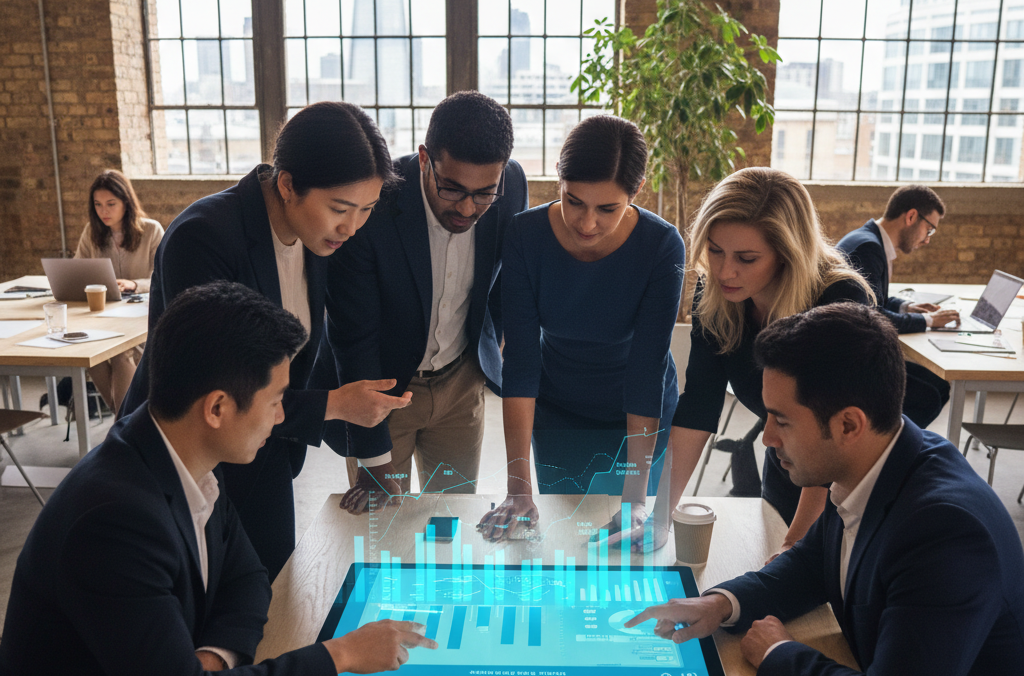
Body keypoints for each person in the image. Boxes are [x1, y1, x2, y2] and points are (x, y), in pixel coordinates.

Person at [0, 282, 437, 676]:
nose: (284, 415)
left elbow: (247, 579)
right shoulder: (115, 517)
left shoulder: (184, 460)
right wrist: (337, 656)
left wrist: (209, 662)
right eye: (277, 399)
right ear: (216, 407)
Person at [625, 303, 1024, 676]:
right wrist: (719, 604)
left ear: (849, 423)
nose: (765, 438)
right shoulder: (877, 461)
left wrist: (781, 655)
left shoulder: (945, 531)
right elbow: (815, 562)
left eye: (780, 420)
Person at [120, 102, 411, 580]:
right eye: (340, 209)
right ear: (288, 184)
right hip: (186, 458)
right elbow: (217, 390)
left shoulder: (320, 239)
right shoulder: (205, 237)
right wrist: (332, 405)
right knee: (194, 602)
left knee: (267, 592)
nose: (353, 227)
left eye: (367, 210)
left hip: (264, 451)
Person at [632, 167, 872, 555]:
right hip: (786, 460)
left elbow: (828, 430)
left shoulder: (837, 298)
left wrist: (796, 541)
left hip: (849, 473)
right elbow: (699, 405)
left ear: (786, 253)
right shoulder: (716, 295)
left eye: (746, 258)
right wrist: (661, 516)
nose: (725, 272)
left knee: (822, 581)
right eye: (714, 250)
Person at [315, 91, 528, 512]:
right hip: (382, 388)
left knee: (452, 519)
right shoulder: (374, 202)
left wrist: (484, 349)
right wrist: (373, 461)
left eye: (484, 193)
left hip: (460, 385)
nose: (468, 207)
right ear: (425, 158)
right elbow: (352, 335)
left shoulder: (512, 185)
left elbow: (502, 284)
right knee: (380, 526)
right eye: (452, 189)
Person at [477, 115, 686, 541]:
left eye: (607, 208)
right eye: (574, 201)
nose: (587, 223)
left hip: (640, 413)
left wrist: (635, 498)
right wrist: (518, 489)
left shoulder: (662, 246)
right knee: (565, 535)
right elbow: (520, 363)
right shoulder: (525, 236)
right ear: (559, 179)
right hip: (558, 408)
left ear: (637, 190)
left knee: (631, 535)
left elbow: (645, 371)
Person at [838, 184, 957, 428]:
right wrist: (929, 321)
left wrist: (907, 307)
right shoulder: (868, 248)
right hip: (849, 364)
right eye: (929, 229)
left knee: (938, 386)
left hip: (855, 351)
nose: (926, 240)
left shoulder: (868, 239)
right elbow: (869, 315)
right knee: (930, 394)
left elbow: (873, 298)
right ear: (911, 216)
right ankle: (883, 451)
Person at [74, 169, 164, 413]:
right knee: (93, 355)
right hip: (103, 317)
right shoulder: (91, 233)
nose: (104, 211)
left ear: (126, 202)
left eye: (111, 204)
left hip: (141, 317)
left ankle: (122, 423)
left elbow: (161, 277)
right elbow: (76, 272)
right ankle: (124, 422)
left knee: (122, 353)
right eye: (98, 204)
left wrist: (135, 284)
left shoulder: (151, 230)